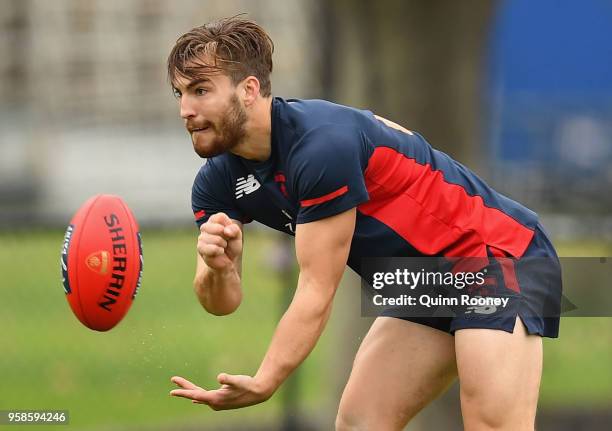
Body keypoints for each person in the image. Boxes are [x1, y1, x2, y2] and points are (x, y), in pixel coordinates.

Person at [166, 16, 561, 431]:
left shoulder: (320, 147)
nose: (185, 110)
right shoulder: (216, 182)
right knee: (361, 422)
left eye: (200, 90)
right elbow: (221, 302)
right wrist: (217, 267)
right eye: (180, 93)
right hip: (423, 279)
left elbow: (317, 289)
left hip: (496, 256)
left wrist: (266, 380)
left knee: (491, 424)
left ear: (248, 90)